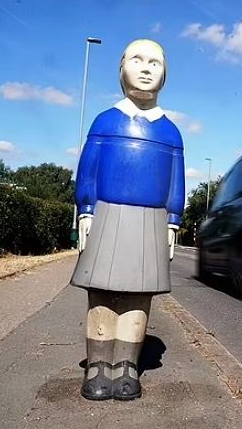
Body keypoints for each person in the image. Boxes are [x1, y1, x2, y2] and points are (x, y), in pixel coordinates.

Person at [71, 39, 185, 401]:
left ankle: (126, 365)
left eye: (156, 62)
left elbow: (175, 180)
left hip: (151, 219)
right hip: (107, 213)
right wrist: (86, 210)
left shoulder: (170, 132)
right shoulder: (105, 121)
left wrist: (173, 220)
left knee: (139, 294)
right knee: (101, 290)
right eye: (137, 59)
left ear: (165, 74)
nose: (147, 67)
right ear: (121, 68)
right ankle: (98, 364)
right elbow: (87, 170)